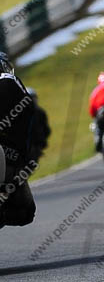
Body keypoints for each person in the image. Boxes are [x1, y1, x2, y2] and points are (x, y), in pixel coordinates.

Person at [0, 52, 36, 226]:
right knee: (25, 213)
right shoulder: (9, 80)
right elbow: (29, 113)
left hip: (9, 156)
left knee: (25, 213)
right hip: (12, 157)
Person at [26, 88, 50, 164]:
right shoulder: (21, 115)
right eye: (30, 98)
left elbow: (46, 130)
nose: (33, 100)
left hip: (36, 147)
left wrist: (42, 141)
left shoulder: (40, 112)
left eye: (34, 98)